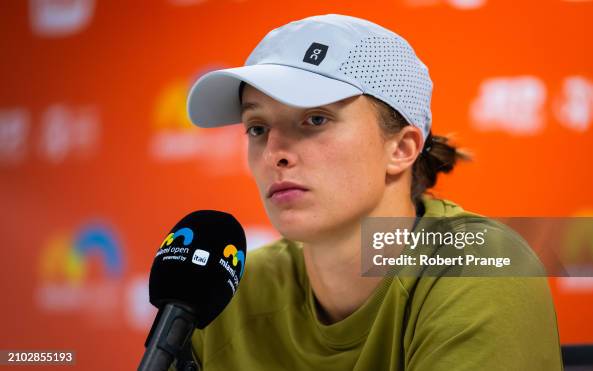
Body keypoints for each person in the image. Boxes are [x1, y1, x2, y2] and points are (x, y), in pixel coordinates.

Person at [177, 14, 563, 370]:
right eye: (257, 128)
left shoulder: (482, 266)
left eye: (314, 119)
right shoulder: (226, 290)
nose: (274, 154)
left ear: (401, 148)